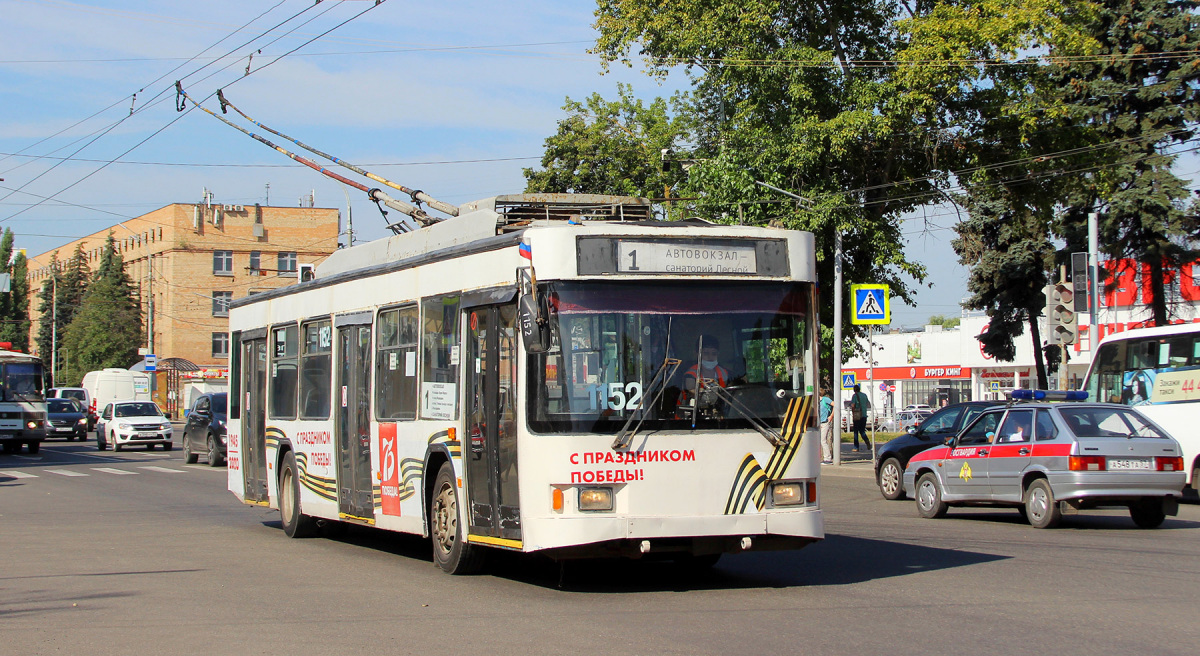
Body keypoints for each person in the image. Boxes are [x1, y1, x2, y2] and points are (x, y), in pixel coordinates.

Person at [681, 335, 731, 406]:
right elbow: (692, 390)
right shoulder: (691, 374)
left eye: (714, 353)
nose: (710, 357)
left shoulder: (724, 373)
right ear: (697, 354)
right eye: (706, 353)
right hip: (695, 414)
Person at [850, 383, 871, 452]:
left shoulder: (855, 396)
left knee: (856, 431)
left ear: (854, 390)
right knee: (862, 431)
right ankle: (867, 443)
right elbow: (867, 404)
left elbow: (853, 405)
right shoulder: (864, 395)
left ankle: (856, 447)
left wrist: (853, 413)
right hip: (864, 415)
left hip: (857, 415)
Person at [819, 386, 834, 464]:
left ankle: (828, 458)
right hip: (818, 423)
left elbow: (835, 404)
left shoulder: (825, 399)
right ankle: (822, 457)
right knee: (819, 441)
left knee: (823, 440)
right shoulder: (817, 401)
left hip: (825, 422)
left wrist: (831, 416)